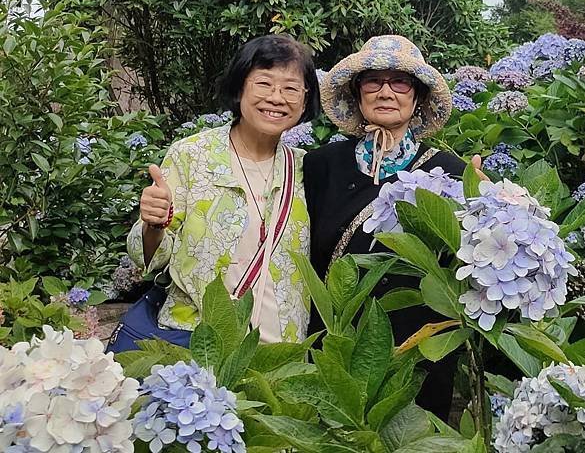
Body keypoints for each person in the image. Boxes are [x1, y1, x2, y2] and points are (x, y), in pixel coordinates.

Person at [303, 34, 477, 419]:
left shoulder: (450, 172)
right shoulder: (321, 165)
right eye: (373, 81)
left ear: (417, 98)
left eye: (400, 82)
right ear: (357, 93)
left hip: (417, 348)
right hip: (338, 335)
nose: (386, 92)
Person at [128, 34, 320, 344]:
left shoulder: (306, 168)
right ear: (240, 86)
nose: (276, 97)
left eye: (290, 88)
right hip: (198, 345)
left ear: (304, 99)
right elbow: (148, 257)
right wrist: (153, 225)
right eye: (264, 83)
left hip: (281, 352)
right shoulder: (191, 156)